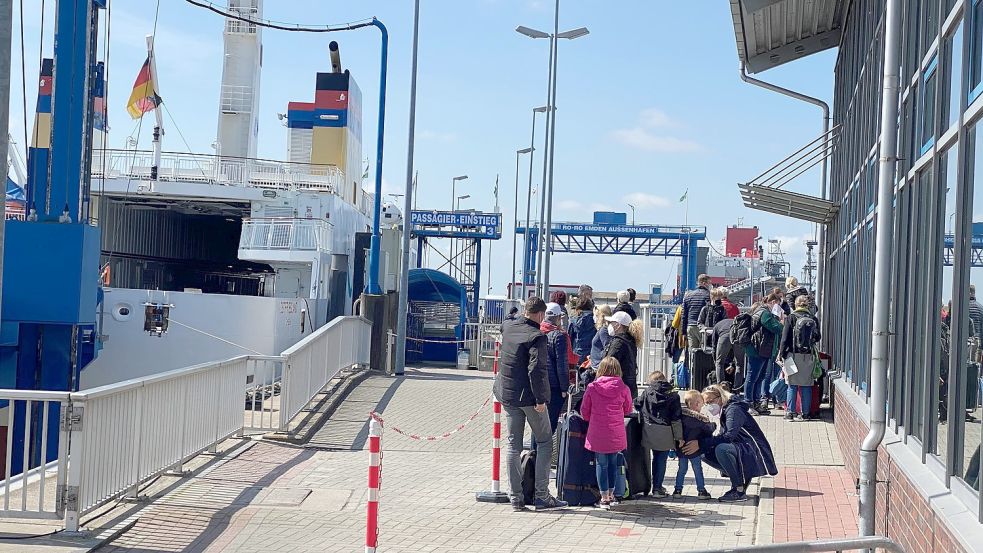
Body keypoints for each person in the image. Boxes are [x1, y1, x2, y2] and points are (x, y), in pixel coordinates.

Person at [494, 296, 568, 512]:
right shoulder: (537, 337)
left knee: (513, 446)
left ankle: (515, 498)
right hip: (530, 398)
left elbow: (505, 322)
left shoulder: (508, 327)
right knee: (545, 441)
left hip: (508, 396)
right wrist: (541, 400)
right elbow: (536, 371)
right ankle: (542, 496)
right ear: (541, 314)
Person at [681, 385, 778, 503]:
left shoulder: (734, 410)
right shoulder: (726, 410)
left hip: (754, 450)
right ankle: (739, 477)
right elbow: (722, 435)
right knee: (704, 451)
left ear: (720, 397)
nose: (709, 405)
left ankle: (738, 489)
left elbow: (728, 436)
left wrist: (700, 443)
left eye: (711, 401)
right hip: (744, 447)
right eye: (706, 403)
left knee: (721, 449)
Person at [581, 356, 634, 508]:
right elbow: (628, 409)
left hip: (597, 431)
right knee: (613, 463)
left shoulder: (592, 387)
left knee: (601, 464)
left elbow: (585, 411)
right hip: (616, 432)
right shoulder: (624, 388)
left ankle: (604, 497)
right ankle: (612, 494)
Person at [634, 371, 682, 498]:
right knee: (661, 459)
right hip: (665, 431)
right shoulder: (673, 395)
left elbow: (637, 404)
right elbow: (676, 418)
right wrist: (679, 437)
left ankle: (646, 485)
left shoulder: (647, 392)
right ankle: (657, 488)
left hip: (648, 430)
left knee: (647, 459)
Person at [778, 295, 821, 421]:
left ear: (796, 305)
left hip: (792, 355)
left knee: (792, 384)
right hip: (808, 356)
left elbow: (784, 338)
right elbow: (818, 337)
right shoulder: (813, 318)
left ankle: (790, 413)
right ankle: (806, 413)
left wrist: (781, 353)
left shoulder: (791, 318)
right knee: (807, 385)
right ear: (807, 305)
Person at [746, 295, 784, 415]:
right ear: (773, 302)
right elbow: (776, 328)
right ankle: (748, 403)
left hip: (762, 350)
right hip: (757, 349)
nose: (778, 307)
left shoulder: (765, 312)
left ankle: (756, 403)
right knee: (752, 377)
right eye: (778, 304)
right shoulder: (764, 313)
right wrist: (781, 320)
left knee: (759, 377)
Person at [674, 390, 715, 499]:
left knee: (682, 470)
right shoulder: (700, 419)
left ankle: (677, 490)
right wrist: (713, 425)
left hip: (681, 449)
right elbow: (708, 431)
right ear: (697, 404)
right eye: (699, 402)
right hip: (695, 449)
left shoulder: (681, 417)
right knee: (697, 470)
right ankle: (701, 491)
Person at [541, 302, 571, 433]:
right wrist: (564, 388)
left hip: (537, 385)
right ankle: (544, 453)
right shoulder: (558, 336)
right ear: (559, 318)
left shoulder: (536, 331)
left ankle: (533, 452)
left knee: (538, 426)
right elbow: (562, 364)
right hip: (553, 387)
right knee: (550, 425)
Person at [604, 311, 639, 398]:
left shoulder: (618, 342)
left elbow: (609, 363)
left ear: (618, 325)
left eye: (612, 323)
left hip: (617, 387)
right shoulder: (630, 340)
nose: (610, 325)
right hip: (628, 386)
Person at [711, 317, 745, 389]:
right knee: (739, 364)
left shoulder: (716, 326)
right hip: (738, 335)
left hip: (724, 336)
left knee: (719, 363)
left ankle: (721, 388)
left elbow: (714, 346)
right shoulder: (733, 322)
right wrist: (732, 364)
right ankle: (737, 389)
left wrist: (715, 360)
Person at [682, 275, 713, 352]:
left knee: (692, 352)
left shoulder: (688, 295)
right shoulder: (709, 295)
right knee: (704, 352)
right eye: (709, 283)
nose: (710, 285)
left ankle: (692, 364)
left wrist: (683, 332)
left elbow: (684, 314)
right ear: (704, 283)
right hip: (703, 328)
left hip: (690, 326)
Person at [568, 297, 597, 365]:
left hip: (577, 352)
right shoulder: (595, 321)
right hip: (590, 354)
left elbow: (569, 338)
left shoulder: (573, 320)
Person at [590, 304, 613, 370]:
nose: (596, 317)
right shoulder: (605, 329)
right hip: (598, 365)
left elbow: (607, 349)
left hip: (599, 367)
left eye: (597, 315)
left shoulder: (604, 330)